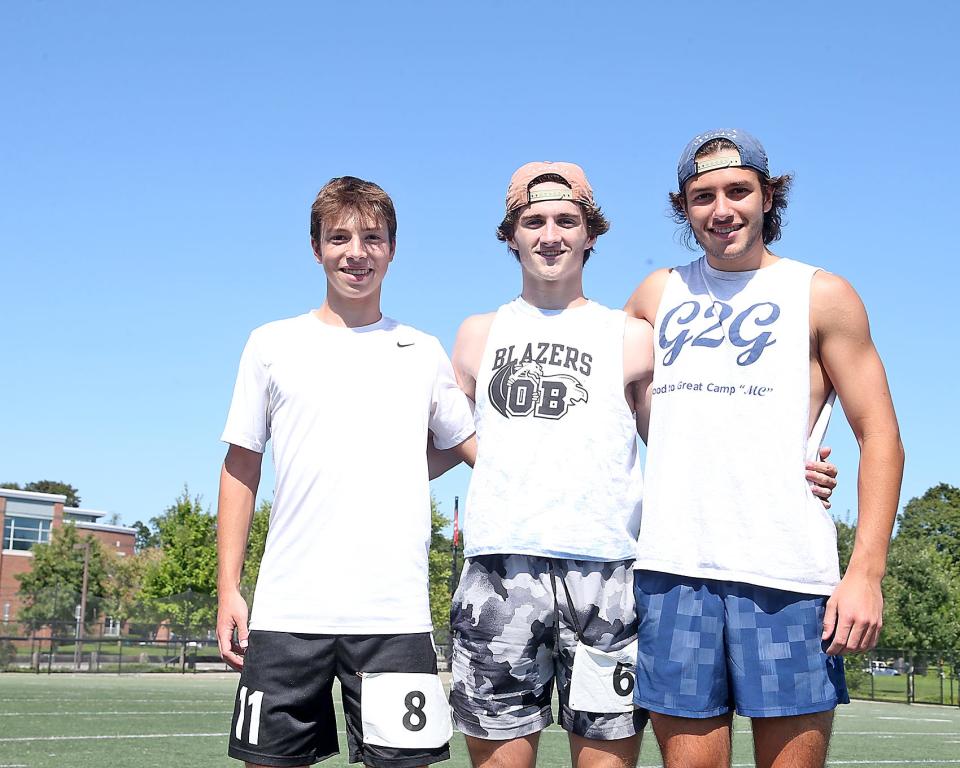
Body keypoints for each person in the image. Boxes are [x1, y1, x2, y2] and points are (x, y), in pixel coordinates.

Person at [447, 161, 839, 768]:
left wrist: (794, 465)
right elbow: (457, 436)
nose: (550, 234)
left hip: (607, 575)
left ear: (591, 234)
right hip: (500, 571)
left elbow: (685, 427)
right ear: (510, 235)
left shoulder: (632, 334)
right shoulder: (475, 334)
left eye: (566, 220)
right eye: (533, 221)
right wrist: (504, 471)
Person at [624, 129, 904, 768]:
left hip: (786, 577)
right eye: (703, 196)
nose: (721, 209)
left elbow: (880, 434)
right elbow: (620, 409)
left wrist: (866, 573)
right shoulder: (654, 294)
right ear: (684, 207)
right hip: (673, 574)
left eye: (737, 191)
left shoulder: (822, 294)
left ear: (767, 195)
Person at [216, 176, 476, 768]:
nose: (356, 252)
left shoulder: (421, 350)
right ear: (316, 248)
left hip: (394, 616)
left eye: (372, 237)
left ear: (392, 248)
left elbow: (467, 447)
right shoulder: (271, 344)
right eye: (340, 237)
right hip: (287, 612)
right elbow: (240, 464)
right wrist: (229, 587)